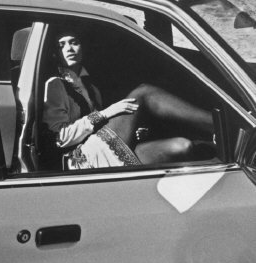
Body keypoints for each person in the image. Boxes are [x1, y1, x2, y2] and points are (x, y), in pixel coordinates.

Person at [42, 32, 213, 170]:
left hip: (101, 149)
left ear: (82, 47)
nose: (69, 49)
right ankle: (218, 126)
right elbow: (60, 138)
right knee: (143, 92)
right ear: (55, 53)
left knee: (183, 146)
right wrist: (106, 113)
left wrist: (133, 131)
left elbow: (102, 128)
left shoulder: (91, 86)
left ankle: (221, 143)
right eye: (61, 45)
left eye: (74, 42)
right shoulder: (55, 84)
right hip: (80, 159)